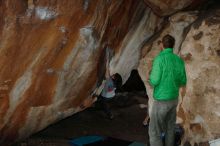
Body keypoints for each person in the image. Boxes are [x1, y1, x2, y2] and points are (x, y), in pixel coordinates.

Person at [148, 34, 187, 146]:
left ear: (162, 45)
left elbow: (154, 81)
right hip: (173, 99)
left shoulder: (159, 59)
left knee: (154, 131)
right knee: (170, 128)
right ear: (173, 45)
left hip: (161, 101)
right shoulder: (178, 60)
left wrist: (150, 78)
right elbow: (183, 81)